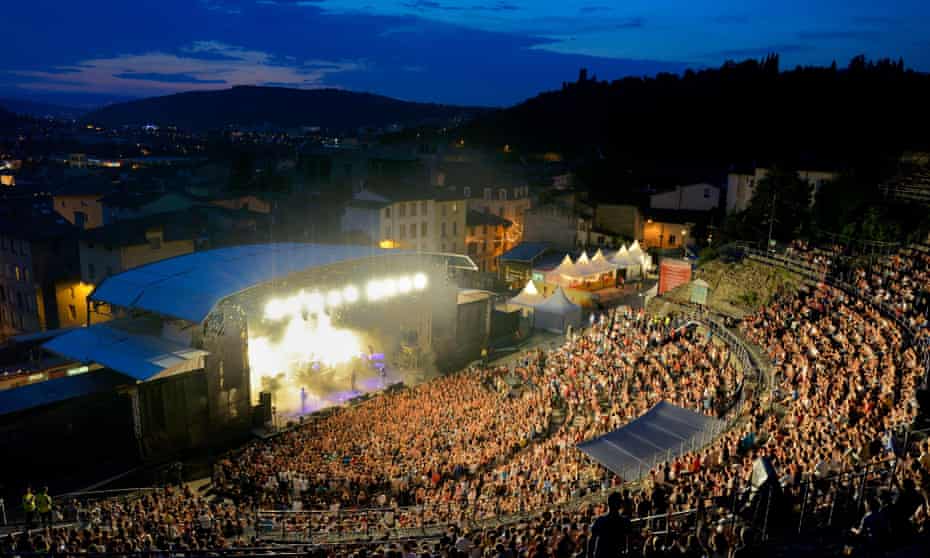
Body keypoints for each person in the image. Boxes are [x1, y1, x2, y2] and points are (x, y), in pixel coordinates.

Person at [587, 492, 629, 558]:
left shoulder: (600, 520)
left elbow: (592, 540)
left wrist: (590, 555)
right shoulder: (624, 521)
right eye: (620, 501)